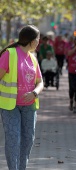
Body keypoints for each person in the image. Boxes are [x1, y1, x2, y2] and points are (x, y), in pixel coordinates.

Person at [0, 25, 44, 170]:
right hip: (10, 106)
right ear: (32, 41)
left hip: (29, 106)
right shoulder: (9, 54)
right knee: (13, 139)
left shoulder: (33, 58)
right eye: (38, 39)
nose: (39, 42)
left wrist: (35, 93)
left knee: (27, 140)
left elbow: (40, 82)